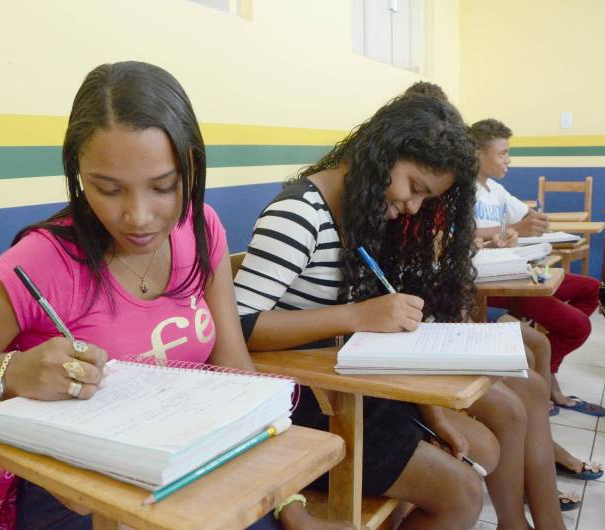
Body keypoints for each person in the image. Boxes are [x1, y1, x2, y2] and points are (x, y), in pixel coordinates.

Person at [0, 61, 351, 530]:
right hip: (77, 504)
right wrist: (10, 372)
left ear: (191, 167)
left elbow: (237, 377)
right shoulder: (41, 263)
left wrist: (289, 504)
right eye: (108, 189)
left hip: (190, 480)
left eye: (164, 187)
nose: (138, 217)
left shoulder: (200, 228)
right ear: (78, 171)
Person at [234, 93, 585, 530]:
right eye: (414, 187)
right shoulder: (298, 213)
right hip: (302, 401)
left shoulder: (362, 210)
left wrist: (432, 410)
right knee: (462, 492)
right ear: (383, 152)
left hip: (348, 386)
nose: (413, 207)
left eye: (426, 197)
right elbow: (236, 329)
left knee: (485, 450)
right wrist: (356, 315)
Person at [469, 118, 605, 420]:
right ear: (478, 153)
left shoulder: (495, 190)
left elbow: (528, 217)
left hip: (520, 269)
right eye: (503, 153)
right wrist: (514, 228)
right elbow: (465, 235)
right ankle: (547, 376)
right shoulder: (461, 189)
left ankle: (547, 367)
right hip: (495, 282)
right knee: (578, 326)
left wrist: (534, 222)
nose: (509, 160)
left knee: (591, 289)